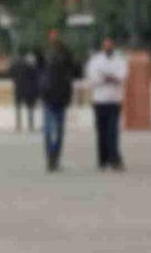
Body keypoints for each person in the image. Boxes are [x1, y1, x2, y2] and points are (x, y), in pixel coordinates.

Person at [86, 37, 128, 171]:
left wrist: (108, 77)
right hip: (100, 100)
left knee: (113, 131)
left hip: (114, 100)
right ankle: (102, 160)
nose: (108, 47)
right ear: (103, 46)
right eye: (106, 45)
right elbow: (93, 78)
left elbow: (122, 76)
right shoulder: (96, 60)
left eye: (110, 45)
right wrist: (107, 78)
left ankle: (114, 159)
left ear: (113, 45)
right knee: (102, 132)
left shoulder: (119, 59)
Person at [40, 30, 77, 172]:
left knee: (59, 131)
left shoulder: (66, 54)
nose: (54, 38)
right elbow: (40, 75)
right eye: (52, 36)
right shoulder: (44, 54)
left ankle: (55, 158)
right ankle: (51, 158)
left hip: (61, 97)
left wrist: (68, 96)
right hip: (49, 98)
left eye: (56, 36)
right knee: (49, 130)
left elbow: (72, 73)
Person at [10, 50, 41, 133]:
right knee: (30, 108)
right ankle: (30, 125)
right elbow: (35, 77)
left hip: (18, 88)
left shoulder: (15, 65)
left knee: (18, 107)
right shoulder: (30, 65)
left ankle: (18, 125)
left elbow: (10, 73)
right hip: (28, 89)